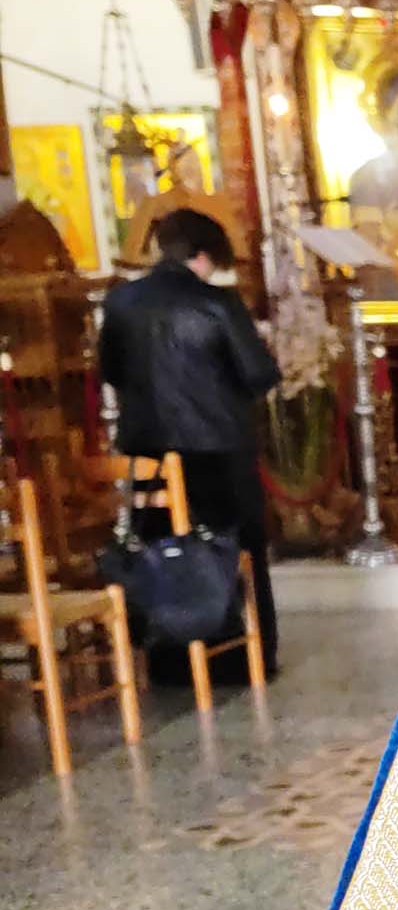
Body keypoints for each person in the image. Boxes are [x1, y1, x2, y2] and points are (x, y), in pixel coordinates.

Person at [98, 208, 281, 679]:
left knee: (161, 551)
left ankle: (169, 662)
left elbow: (111, 372)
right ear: (203, 255)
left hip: (148, 455)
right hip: (218, 453)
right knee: (234, 550)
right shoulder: (219, 303)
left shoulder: (121, 303)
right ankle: (245, 657)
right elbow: (259, 375)